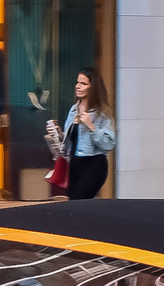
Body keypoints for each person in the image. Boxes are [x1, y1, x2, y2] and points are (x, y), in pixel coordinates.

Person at [49, 68, 116, 200]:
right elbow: (69, 144)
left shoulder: (102, 113)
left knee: (80, 201)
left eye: (83, 84)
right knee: (75, 206)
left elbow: (109, 144)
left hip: (94, 165)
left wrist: (91, 126)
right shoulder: (74, 109)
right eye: (77, 82)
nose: (77, 86)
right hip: (74, 165)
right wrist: (58, 134)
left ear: (93, 88)